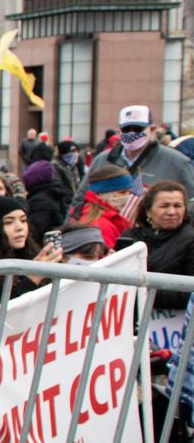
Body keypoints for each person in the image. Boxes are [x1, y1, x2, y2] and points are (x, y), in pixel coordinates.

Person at [80, 105, 194, 203]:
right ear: (119, 131)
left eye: (138, 129)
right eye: (126, 129)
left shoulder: (176, 162)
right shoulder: (103, 160)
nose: (132, 133)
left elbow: (191, 199)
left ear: (152, 129)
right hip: (110, 226)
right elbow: (81, 198)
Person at [119, 181, 192, 309]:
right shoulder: (130, 237)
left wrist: (143, 293)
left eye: (178, 206)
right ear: (148, 211)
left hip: (172, 324)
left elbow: (190, 293)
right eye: (164, 206)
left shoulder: (190, 240)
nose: (172, 212)